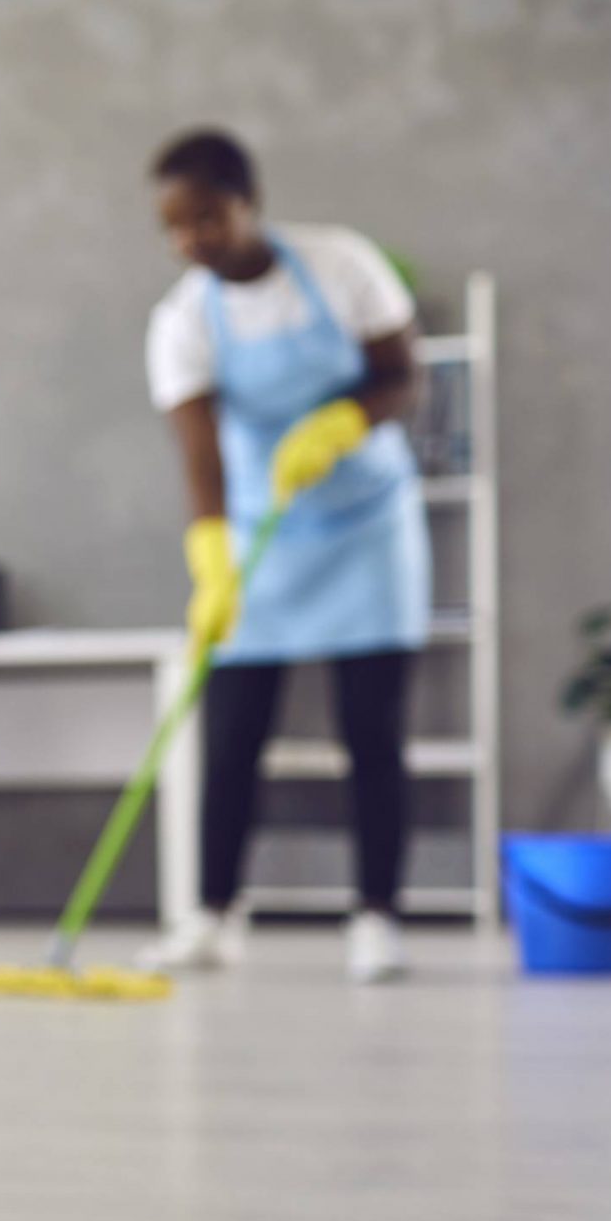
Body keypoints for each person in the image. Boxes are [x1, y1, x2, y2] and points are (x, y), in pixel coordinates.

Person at [138, 128, 428, 985]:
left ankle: (377, 918)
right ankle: (211, 917)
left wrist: (345, 421)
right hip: (261, 530)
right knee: (231, 734)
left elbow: (403, 376)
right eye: (174, 226)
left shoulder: (342, 266)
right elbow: (200, 455)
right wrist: (212, 561)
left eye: (206, 218)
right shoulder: (183, 321)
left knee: (372, 730)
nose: (191, 240)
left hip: (367, 521)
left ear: (248, 202)